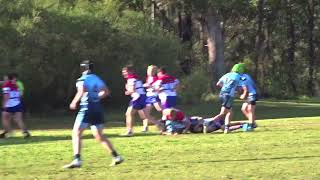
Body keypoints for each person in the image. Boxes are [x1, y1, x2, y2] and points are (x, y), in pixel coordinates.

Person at [63, 60, 123, 168]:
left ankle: (77, 159)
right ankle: (116, 156)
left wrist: (74, 101)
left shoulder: (82, 79)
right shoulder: (96, 78)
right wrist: (96, 97)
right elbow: (106, 92)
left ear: (83, 69)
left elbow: (81, 91)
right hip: (97, 109)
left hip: (86, 109)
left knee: (76, 133)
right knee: (99, 136)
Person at [122, 66, 161, 136]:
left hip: (138, 97)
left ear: (130, 72)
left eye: (125, 72)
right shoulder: (136, 78)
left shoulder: (131, 79)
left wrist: (127, 91)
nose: (124, 74)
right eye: (123, 72)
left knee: (129, 113)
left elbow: (132, 90)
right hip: (143, 97)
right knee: (146, 116)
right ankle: (160, 125)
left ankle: (129, 131)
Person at [210, 64, 247, 134]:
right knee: (226, 113)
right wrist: (239, 92)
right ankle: (208, 123)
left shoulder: (227, 74)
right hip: (228, 95)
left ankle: (226, 128)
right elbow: (240, 87)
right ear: (240, 70)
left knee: (226, 112)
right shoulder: (239, 76)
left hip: (221, 94)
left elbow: (218, 84)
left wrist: (226, 87)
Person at [0, 73, 30, 138]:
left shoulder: (6, 86)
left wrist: (4, 104)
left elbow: (6, 96)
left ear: (8, 79)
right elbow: (19, 95)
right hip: (17, 103)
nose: (4, 80)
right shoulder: (16, 85)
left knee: (4, 118)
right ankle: (25, 132)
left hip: (9, 105)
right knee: (19, 119)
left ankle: (8, 133)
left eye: (5, 78)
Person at [142, 65, 162, 132]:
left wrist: (149, 86)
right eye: (148, 70)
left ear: (154, 72)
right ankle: (146, 127)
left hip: (154, 96)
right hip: (148, 96)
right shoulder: (148, 78)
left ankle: (173, 117)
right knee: (145, 113)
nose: (149, 72)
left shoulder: (156, 78)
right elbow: (147, 85)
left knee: (160, 109)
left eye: (151, 70)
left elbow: (157, 88)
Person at [237, 63, 258, 131]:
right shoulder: (246, 75)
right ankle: (253, 122)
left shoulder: (242, 78)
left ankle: (251, 126)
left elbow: (245, 88)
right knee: (243, 109)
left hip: (252, 94)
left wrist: (243, 95)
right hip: (250, 95)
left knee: (250, 110)